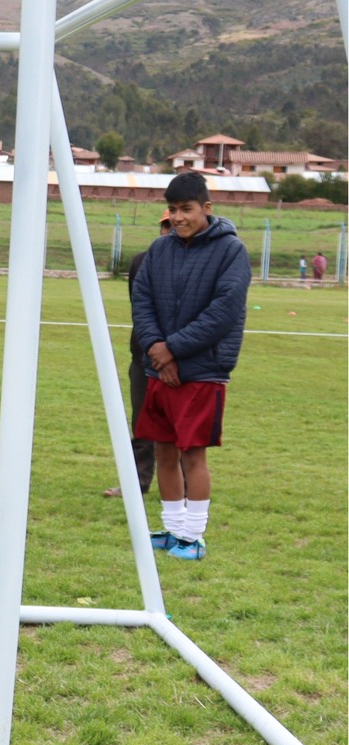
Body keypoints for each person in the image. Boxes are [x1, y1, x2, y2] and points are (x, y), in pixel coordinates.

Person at [129, 171, 250, 561]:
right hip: (159, 369)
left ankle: (194, 537)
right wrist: (155, 348)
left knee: (193, 455)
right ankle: (172, 528)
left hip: (202, 371)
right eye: (173, 210)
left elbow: (224, 311)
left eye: (187, 209)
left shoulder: (231, 251)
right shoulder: (159, 250)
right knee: (163, 451)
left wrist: (175, 350)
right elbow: (142, 301)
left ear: (207, 209)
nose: (179, 217)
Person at [105, 214, 171, 500]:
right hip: (144, 355)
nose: (170, 229)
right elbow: (141, 309)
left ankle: (180, 487)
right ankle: (136, 484)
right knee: (142, 421)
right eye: (166, 224)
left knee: (179, 423)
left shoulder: (198, 264)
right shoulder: (142, 262)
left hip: (183, 356)